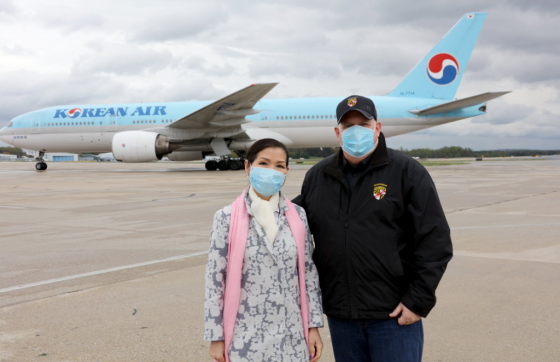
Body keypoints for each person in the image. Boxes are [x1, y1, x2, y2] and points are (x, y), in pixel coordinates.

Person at [292, 95, 453, 362]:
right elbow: (289, 222)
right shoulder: (318, 177)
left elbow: (435, 241)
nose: (356, 130)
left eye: (364, 124)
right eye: (348, 125)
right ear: (337, 132)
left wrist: (417, 301)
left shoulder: (407, 172)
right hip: (342, 317)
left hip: (393, 316)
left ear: (377, 128)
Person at [204, 138, 324, 362]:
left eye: (279, 166)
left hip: (292, 336)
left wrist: (313, 326)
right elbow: (215, 281)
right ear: (248, 166)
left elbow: (308, 274)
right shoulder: (226, 217)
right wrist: (215, 337)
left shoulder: (298, 215)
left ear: (287, 171)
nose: (272, 171)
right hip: (245, 337)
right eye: (264, 163)